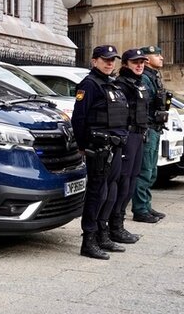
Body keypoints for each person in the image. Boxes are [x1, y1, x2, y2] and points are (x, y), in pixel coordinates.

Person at [71, 44, 129, 259]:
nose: (110, 63)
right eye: (105, 59)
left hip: (113, 146)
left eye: (113, 59)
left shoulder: (110, 84)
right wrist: (83, 146)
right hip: (98, 148)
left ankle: (103, 234)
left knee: (108, 192)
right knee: (96, 193)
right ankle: (89, 240)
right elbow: (79, 118)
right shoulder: (89, 84)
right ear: (94, 61)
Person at [108, 47, 150, 243]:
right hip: (127, 137)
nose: (140, 65)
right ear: (125, 64)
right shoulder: (120, 84)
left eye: (142, 62)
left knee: (132, 181)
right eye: (135, 62)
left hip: (139, 135)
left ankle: (119, 224)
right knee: (123, 182)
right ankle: (114, 227)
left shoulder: (138, 83)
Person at [131, 46, 169, 224]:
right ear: (147, 59)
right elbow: (142, 106)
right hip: (148, 128)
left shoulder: (153, 76)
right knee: (145, 170)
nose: (161, 57)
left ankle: (146, 204)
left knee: (151, 170)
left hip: (155, 127)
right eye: (157, 55)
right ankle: (140, 209)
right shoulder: (145, 78)